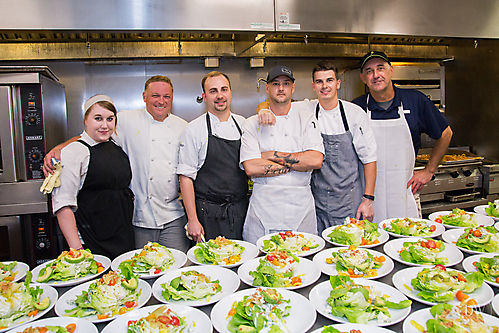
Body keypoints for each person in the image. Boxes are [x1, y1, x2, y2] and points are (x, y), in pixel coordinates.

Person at [44, 76, 191, 252]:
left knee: (177, 267)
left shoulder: (183, 127)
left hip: (172, 214)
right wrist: (61, 148)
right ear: (144, 96)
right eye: (155, 95)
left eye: (166, 96)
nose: (161, 101)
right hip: (137, 217)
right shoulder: (126, 119)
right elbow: (91, 137)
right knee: (140, 269)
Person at [352, 51, 453, 222]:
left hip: (405, 191)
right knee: (370, 244)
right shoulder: (356, 108)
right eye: (369, 71)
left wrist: (429, 171)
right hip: (368, 196)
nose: (376, 75)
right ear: (363, 77)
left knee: (408, 240)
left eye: (380, 68)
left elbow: (445, 133)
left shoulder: (415, 100)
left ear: (391, 71)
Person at [240, 65, 324, 244]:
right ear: (267, 88)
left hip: (300, 209)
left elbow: (316, 160)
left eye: (286, 83)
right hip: (264, 206)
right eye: (276, 83)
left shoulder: (307, 118)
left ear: (293, 88)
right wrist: (297, 164)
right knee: (261, 263)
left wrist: (271, 155)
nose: (281, 88)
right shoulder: (251, 123)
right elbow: (251, 167)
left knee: (303, 264)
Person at [51, 95, 135, 259]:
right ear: (86, 120)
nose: (105, 125)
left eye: (110, 119)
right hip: (92, 240)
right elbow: (63, 204)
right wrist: (77, 250)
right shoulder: (75, 152)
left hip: (121, 235)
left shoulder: (114, 146)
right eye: (98, 118)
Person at [177, 72, 248, 243]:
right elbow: (185, 177)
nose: (220, 96)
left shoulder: (244, 124)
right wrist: (193, 220)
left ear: (230, 92)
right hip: (207, 214)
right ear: (204, 96)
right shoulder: (193, 129)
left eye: (224, 89)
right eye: (213, 91)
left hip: (240, 210)